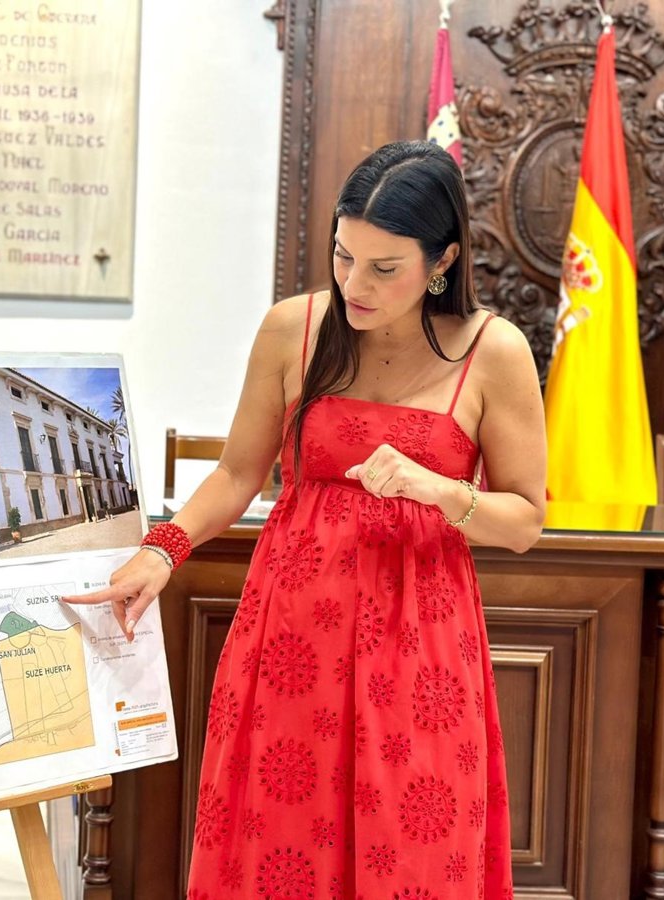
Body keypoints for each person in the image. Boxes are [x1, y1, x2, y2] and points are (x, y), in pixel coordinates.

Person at [65, 140, 546, 898]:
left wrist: (440, 490)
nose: (355, 284)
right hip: (293, 632)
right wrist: (162, 549)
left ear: (443, 260)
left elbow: (524, 521)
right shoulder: (294, 327)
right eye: (343, 255)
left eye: (384, 268)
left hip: (419, 641)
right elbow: (237, 473)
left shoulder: (493, 351)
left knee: (413, 848)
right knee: (281, 842)